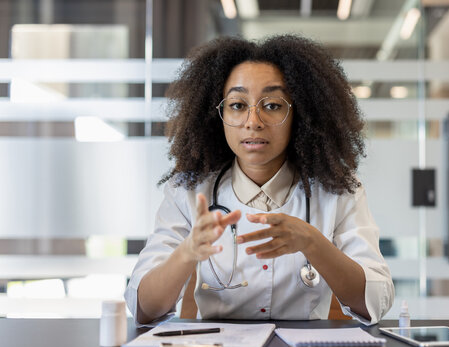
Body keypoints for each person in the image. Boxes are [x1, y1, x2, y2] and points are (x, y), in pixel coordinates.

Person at [125, 34, 394, 326]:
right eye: (238, 105)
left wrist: (312, 243)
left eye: (273, 105)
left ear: (299, 115)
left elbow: (376, 301)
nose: (253, 121)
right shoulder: (189, 191)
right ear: (219, 115)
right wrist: (187, 252)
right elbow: (143, 308)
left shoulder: (338, 192)